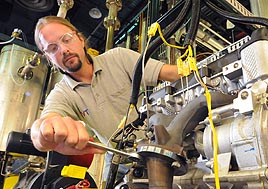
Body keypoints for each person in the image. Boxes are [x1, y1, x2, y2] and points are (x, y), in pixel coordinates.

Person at [30, 16, 180, 156]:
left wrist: (199, 67)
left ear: (80, 39)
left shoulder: (118, 58)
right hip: (120, 160)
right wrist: (42, 135)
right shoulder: (62, 93)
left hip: (159, 145)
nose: (63, 50)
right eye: (52, 48)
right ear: (49, 59)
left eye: (66, 39)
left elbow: (172, 73)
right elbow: (44, 123)